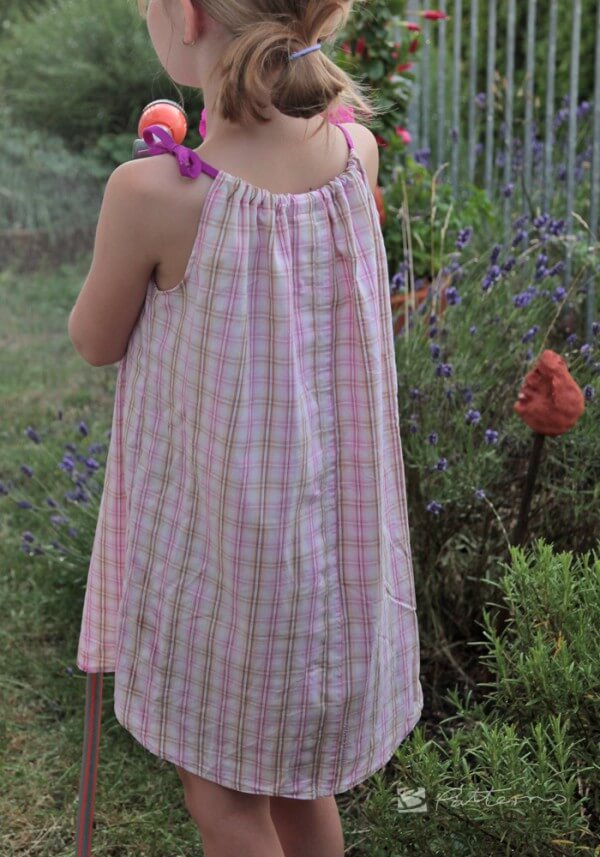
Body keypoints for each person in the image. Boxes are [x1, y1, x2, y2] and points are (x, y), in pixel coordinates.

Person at [69, 1, 423, 855]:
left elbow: (94, 339)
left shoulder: (154, 193)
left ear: (187, 15)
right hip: (329, 568)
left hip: (224, 571)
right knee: (302, 784)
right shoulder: (356, 153)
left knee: (225, 799)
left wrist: (153, 188)